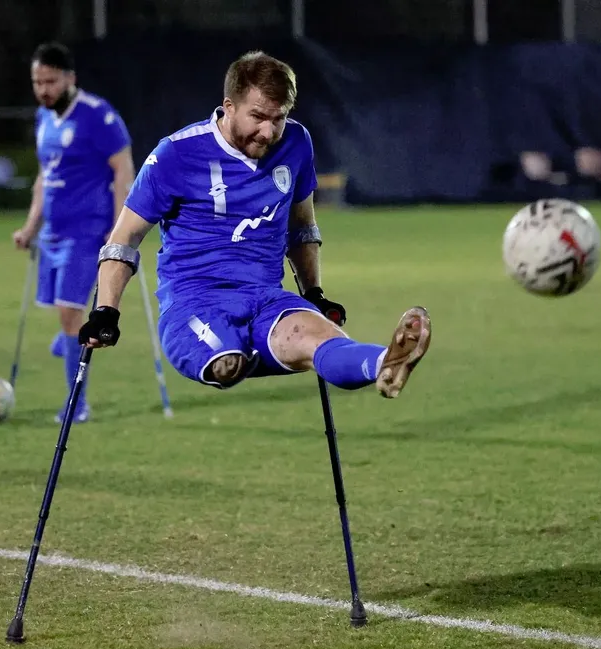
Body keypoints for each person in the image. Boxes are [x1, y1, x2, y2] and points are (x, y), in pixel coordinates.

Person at [78, 51, 431, 397]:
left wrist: (313, 294)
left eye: (279, 118)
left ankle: (385, 363)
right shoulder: (176, 154)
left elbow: (302, 228)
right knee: (224, 357)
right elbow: (124, 238)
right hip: (194, 302)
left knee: (321, 338)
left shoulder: (295, 142)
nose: (268, 132)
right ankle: (227, 358)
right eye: (258, 116)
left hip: (265, 298)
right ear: (228, 106)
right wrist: (106, 312)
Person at [13, 42, 135, 423]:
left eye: (50, 81)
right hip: (52, 233)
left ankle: (77, 405)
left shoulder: (98, 116)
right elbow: (43, 177)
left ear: (70, 79)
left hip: (87, 232)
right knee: (65, 318)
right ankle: (66, 341)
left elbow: (123, 170)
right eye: (37, 81)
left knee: (70, 314)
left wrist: (119, 230)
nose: (43, 89)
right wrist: (30, 227)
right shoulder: (43, 119)